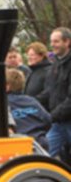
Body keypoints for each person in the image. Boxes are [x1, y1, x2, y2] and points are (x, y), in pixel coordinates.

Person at [38, 27, 71, 161]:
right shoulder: (55, 65)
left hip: (65, 120)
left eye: (56, 41)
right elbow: (48, 92)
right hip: (57, 123)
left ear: (67, 42)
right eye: (52, 42)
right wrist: (31, 102)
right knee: (43, 156)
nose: (52, 45)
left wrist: (52, 115)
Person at [6, 68, 51, 148]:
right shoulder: (31, 101)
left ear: (7, 86)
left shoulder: (2, 104)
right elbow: (47, 120)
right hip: (39, 143)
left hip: (18, 145)